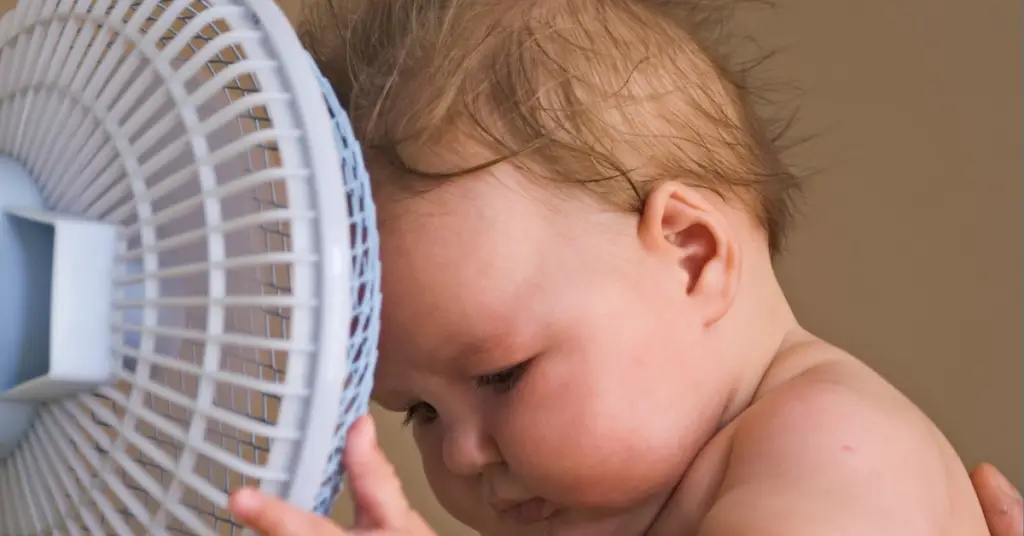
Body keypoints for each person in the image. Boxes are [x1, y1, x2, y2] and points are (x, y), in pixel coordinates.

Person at [232, 0, 1021, 534]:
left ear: (691, 256)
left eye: (503, 375)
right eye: (423, 414)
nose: (462, 456)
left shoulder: (835, 450)